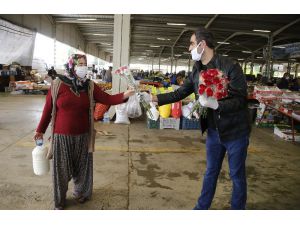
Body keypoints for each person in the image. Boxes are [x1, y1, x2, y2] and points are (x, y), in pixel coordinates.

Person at [152, 27, 251, 210]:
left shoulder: (230, 66)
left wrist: (216, 105)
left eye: (191, 43)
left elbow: (240, 100)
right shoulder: (197, 70)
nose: (189, 48)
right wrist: (154, 98)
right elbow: (181, 93)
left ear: (202, 44)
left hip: (235, 131)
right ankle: (201, 208)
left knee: (236, 175)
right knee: (210, 172)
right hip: (214, 131)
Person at [33, 54, 134, 210]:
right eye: (80, 64)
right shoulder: (58, 85)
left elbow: (107, 99)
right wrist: (40, 130)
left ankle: (81, 193)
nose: (83, 67)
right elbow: (48, 110)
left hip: (83, 136)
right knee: (61, 171)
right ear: (71, 66)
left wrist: (125, 95)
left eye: (85, 64)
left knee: (83, 168)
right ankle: (60, 200)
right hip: (61, 137)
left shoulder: (89, 86)